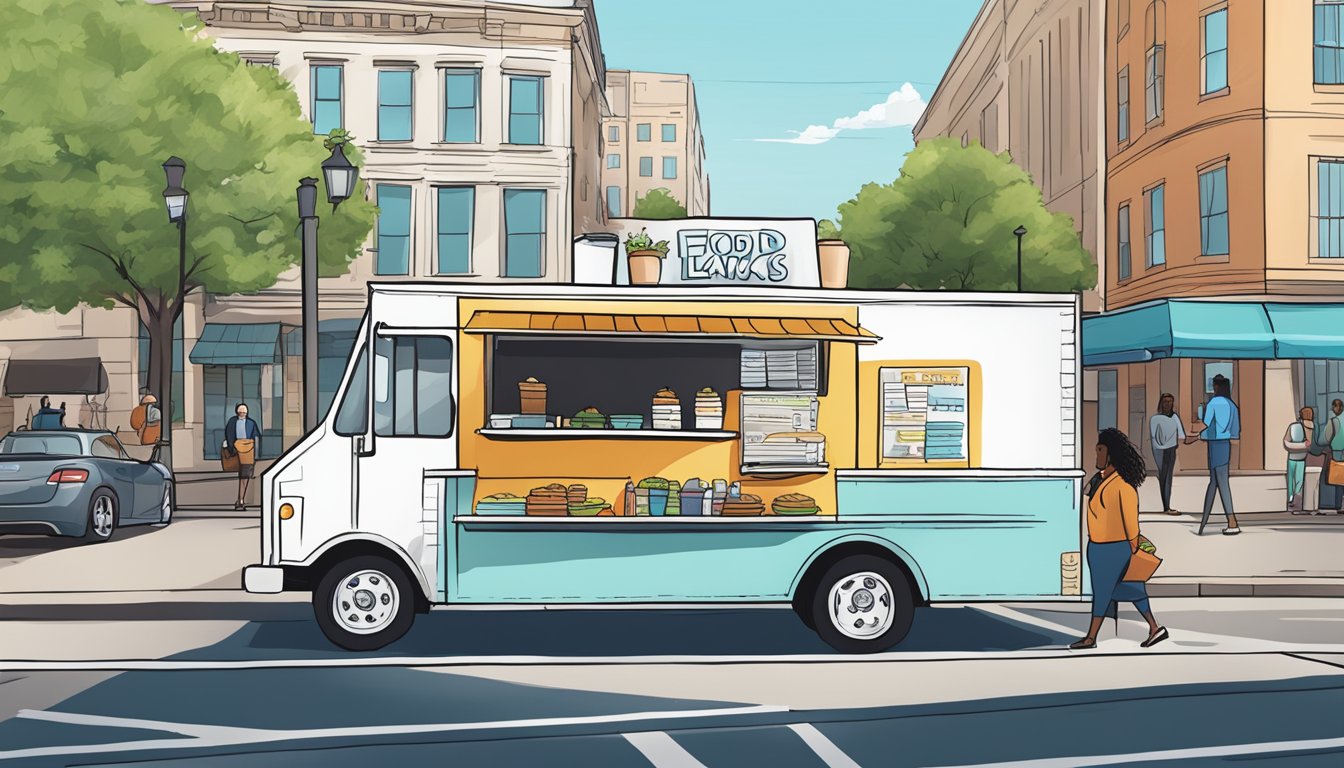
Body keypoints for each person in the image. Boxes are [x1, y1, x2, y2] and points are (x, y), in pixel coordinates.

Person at [1071, 427, 1168, 650]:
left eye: (1100, 450)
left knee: (1103, 591)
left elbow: (1131, 522)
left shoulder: (1123, 487)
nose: (1097, 455)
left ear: (1111, 453)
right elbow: (1087, 496)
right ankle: (1155, 628)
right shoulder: (1101, 480)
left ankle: (1091, 638)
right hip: (1097, 546)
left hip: (1113, 548)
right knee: (1129, 588)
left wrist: (1134, 546)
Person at [1184, 374, 1241, 536]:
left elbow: (1205, 424)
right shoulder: (1232, 405)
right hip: (1225, 446)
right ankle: (1204, 524)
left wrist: (1194, 436)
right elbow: (1235, 433)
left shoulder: (1214, 403)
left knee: (1220, 482)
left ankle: (1232, 521)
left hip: (1215, 446)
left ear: (1216, 387)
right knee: (1215, 482)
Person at [1149, 393, 1184, 515]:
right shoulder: (1155, 418)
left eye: (1170, 401)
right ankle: (1166, 506)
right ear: (1161, 403)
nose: (1168, 404)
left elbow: (1181, 434)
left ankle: (1166, 506)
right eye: (1165, 401)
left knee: (1168, 477)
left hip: (1171, 450)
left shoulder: (1175, 417)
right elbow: (1153, 435)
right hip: (1159, 450)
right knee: (1163, 476)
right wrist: (1161, 445)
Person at [223, 403, 261, 511]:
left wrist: (256, 454)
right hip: (236, 449)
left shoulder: (251, 423)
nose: (242, 414)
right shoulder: (232, 422)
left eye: (244, 412)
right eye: (240, 412)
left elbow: (256, 437)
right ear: (237, 412)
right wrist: (232, 448)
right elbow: (229, 435)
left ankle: (241, 499)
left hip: (248, 450)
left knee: (245, 475)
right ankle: (241, 499)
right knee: (243, 475)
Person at [1314, 399, 1344, 515]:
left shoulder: (1334, 421)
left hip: (1337, 453)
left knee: (1336, 478)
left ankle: (1336, 504)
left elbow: (1323, 440)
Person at [1284, 407, 1314, 514]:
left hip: (1292, 456)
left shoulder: (1294, 426)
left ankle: (1291, 499)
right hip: (1303, 457)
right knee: (1299, 480)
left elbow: (1286, 442)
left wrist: (1297, 445)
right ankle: (1298, 499)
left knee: (1291, 478)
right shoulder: (1313, 427)